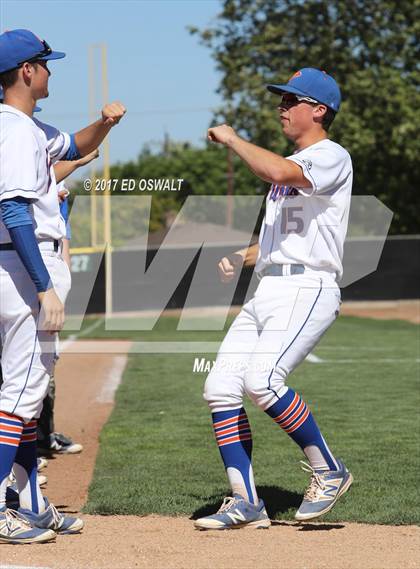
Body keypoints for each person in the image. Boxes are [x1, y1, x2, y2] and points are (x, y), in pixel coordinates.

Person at [194, 68, 353, 530]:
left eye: (291, 100)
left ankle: (329, 469)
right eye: (281, 99)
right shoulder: (295, 164)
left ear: (318, 110)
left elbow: (277, 169)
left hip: (308, 288)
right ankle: (247, 502)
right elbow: (290, 235)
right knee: (220, 387)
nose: (282, 107)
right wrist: (246, 255)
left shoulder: (330, 155)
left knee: (262, 381)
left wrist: (232, 138)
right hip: (270, 288)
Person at [0, 28, 125, 544]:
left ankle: (29, 501)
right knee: (22, 391)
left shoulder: (29, 127)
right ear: (27, 71)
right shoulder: (13, 130)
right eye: (46, 64)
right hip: (23, 267)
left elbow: (75, 144)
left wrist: (104, 123)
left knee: (25, 392)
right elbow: (13, 209)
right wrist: (44, 285)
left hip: (17, 266)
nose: (51, 71)